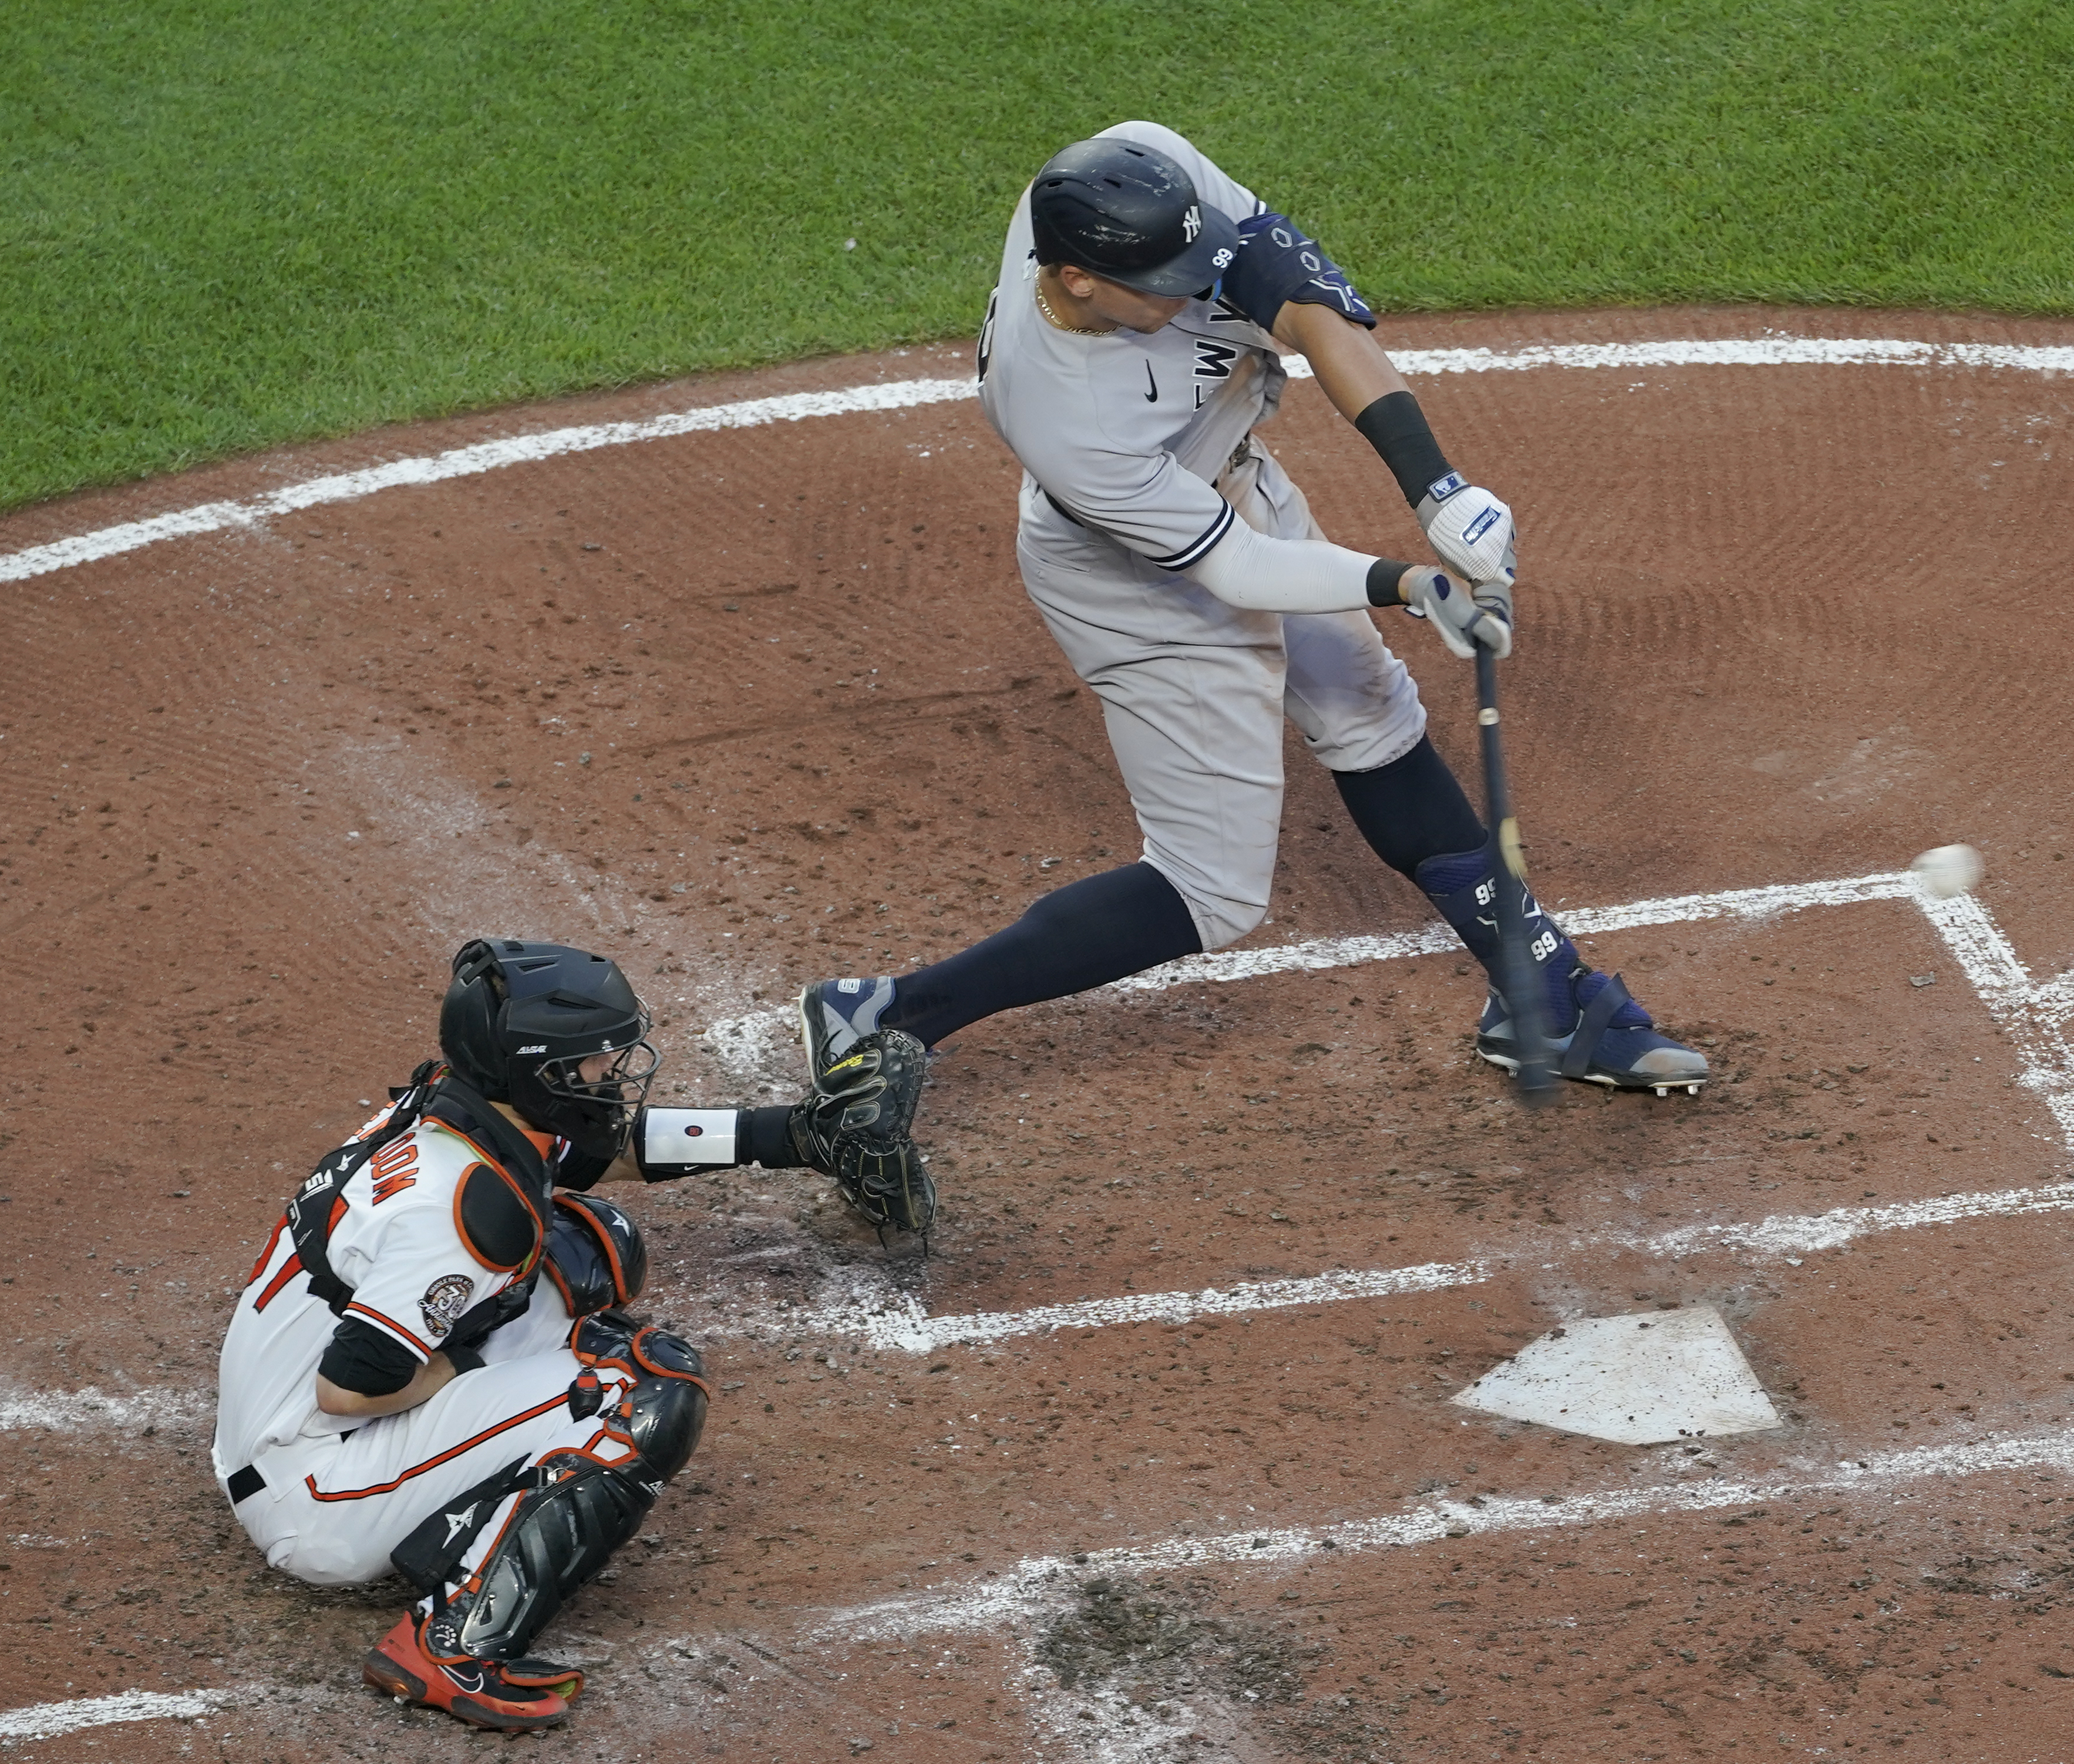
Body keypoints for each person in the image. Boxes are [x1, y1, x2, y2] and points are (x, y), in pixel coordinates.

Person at [797, 122, 1709, 1214]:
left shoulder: (1134, 164)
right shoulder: (1064, 415)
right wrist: (1409, 585)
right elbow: (1235, 571)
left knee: (1373, 719)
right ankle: (888, 1014)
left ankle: (1540, 996)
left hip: (1235, 483)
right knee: (1209, 891)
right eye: (1161, 290)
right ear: (1076, 282)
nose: (1191, 298)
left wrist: (1436, 490)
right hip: (1135, 579)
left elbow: (1292, 294)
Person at [210, 937, 898, 1729]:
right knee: (639, 1392)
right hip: (315, 1489)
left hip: (272, 1424)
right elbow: (350, 1386)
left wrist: (790, 1136)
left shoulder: (456, 1108)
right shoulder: (462, 1207)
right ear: (537, 1073)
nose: (613, 1072)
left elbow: (597, 1153)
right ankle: (453, 1645)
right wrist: (466, 1360)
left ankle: (461, 1500)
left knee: (588, 1255)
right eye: (594, 1062)